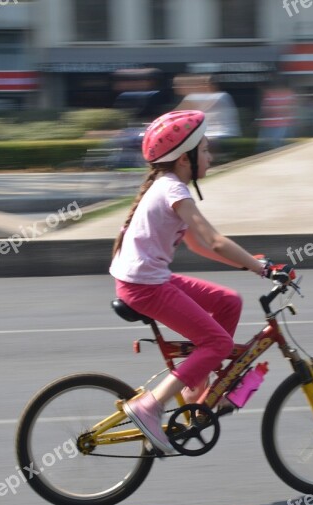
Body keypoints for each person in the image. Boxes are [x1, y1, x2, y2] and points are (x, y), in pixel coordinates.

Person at [109, 110, 292, 454]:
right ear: (184, 158)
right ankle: (149, 406)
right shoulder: (173, 190)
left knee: (229, 301)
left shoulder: (169, 186)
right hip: (144, 286)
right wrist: (261, 269)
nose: (210, 156)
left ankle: (199, 389)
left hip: (147, 278)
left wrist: (252, 264)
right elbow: (214, 239)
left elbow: (196, 243)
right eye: (205, 150)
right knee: (220, 345)